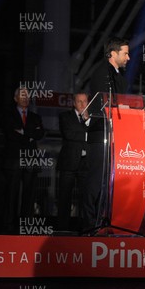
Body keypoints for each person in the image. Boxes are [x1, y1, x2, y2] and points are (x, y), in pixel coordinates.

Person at [81, 36, 130, 232]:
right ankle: (88, 225)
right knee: (95, 181)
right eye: (125, 53)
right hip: (101, 134)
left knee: (108, 183)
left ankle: (104, 222)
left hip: (114, 135)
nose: (128, 57)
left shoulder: (118, 76)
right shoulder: (102, 72)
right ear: (113, 54)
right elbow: (102, 104)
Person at [2, 87, 45, 232]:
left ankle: (26, 226)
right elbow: (11, 135)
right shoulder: (8, 115)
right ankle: (8, 226)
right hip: (14, 159)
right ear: (15, 99)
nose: (26, 98)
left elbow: (40, 134)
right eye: (22, 95)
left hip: (31, 160)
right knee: (11, 193)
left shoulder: (35, 117)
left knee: (29, 194)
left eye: (27, 95)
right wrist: (30, 135)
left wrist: (23, 132)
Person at [57, 92, 90, 231]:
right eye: (79, 101)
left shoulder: (92, 118)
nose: (82, 104)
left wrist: (88, 121)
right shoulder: (65, 116)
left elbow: (96, 135)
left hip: (86, 163)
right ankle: (63, 227)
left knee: (85, 198)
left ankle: (83, 227)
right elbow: (69, 134)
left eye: (85, 101)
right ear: (74, 103)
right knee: (65, 197)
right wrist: (87, 133)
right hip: (69, 162)